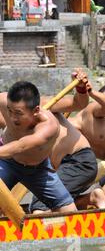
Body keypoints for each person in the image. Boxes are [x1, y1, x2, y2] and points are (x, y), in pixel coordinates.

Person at [29, 71, 105, 213]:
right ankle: (92, 198)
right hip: (64, 167)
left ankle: (54, 232)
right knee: (54, 202)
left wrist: (80, 88)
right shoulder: (12, 129)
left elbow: (78, 103)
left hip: (78, 162)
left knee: (39, 207)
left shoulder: (41, 105)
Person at [0, 82, 77, 213]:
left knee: (70, 213)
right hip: (7, 162)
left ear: (36, 110)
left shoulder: (49, 126)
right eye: (9, 110)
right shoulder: (2, 99)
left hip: (38, 170)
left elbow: (21, 145)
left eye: (18, 113)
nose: (12, 117)